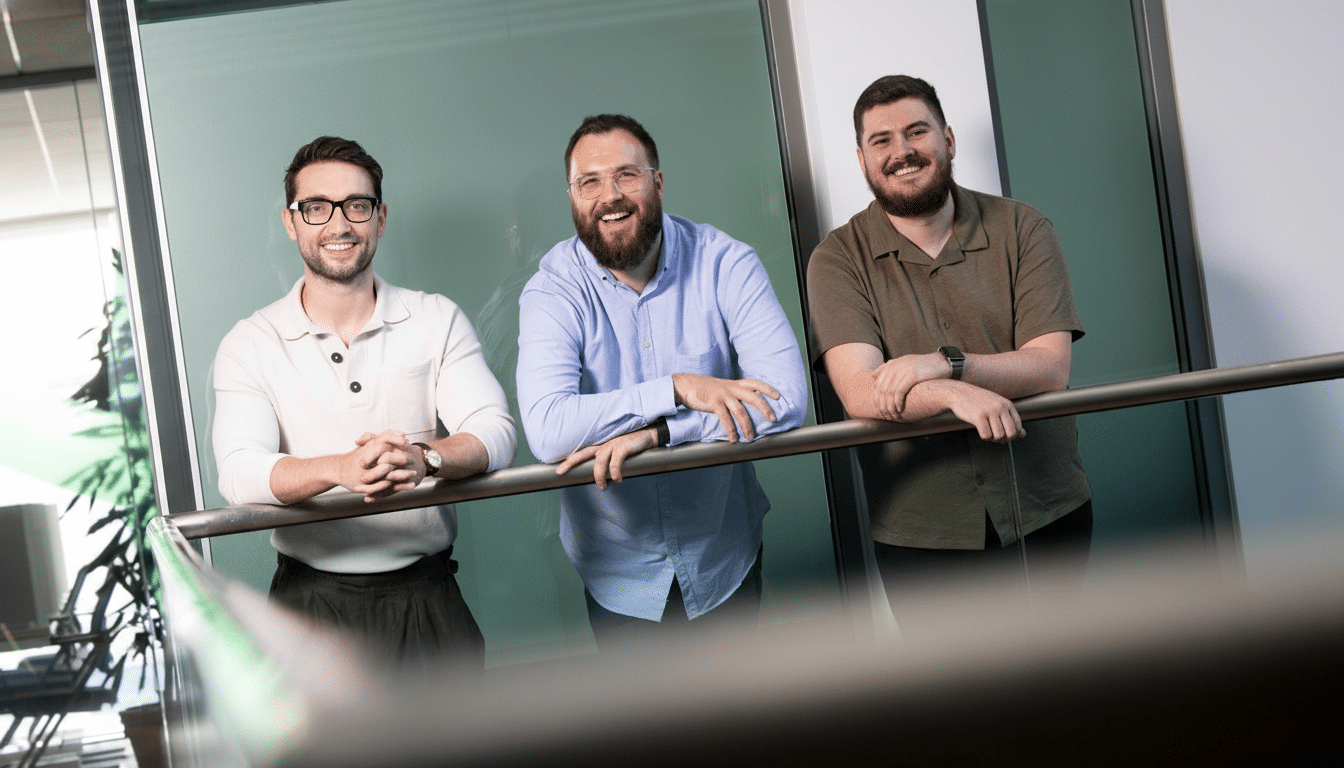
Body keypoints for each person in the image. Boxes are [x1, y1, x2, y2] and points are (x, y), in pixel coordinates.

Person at [212, 136, 516, 665]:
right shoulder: (250, 342)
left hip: (428, 597)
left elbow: (496, 430)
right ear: (291, 222)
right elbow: (239, 473)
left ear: (380, 218)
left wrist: (424, 459)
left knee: (463, 726)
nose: (339, 224)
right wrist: (341, 469)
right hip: (309, 606)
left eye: (356, 205)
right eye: (316, 208)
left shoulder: (436, 318)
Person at [806, 76, 1093, 632]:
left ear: (949, 139)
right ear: (862, 159)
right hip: (921, 530)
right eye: (882, 140)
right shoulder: (837, 258)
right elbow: (862, 391)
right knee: (956, 690)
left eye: (917, 132)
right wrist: (949, 393)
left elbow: (1050, 367)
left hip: (1046, 508)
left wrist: (946, 363)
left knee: (1058, 676)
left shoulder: (1024, 228)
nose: (902, 151)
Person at [516, 114, 807, 649]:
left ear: (658, 182)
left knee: (745, 704)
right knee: (644, 710)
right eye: (589, 182)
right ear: (573, 196)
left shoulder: (725, 262)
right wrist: (675, 388)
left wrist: (661, 434)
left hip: (724, 555)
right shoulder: (552, 289)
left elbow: (786, 397)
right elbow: (548, 429)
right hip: (618, 573)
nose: (610, 196)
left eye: (626, 175)